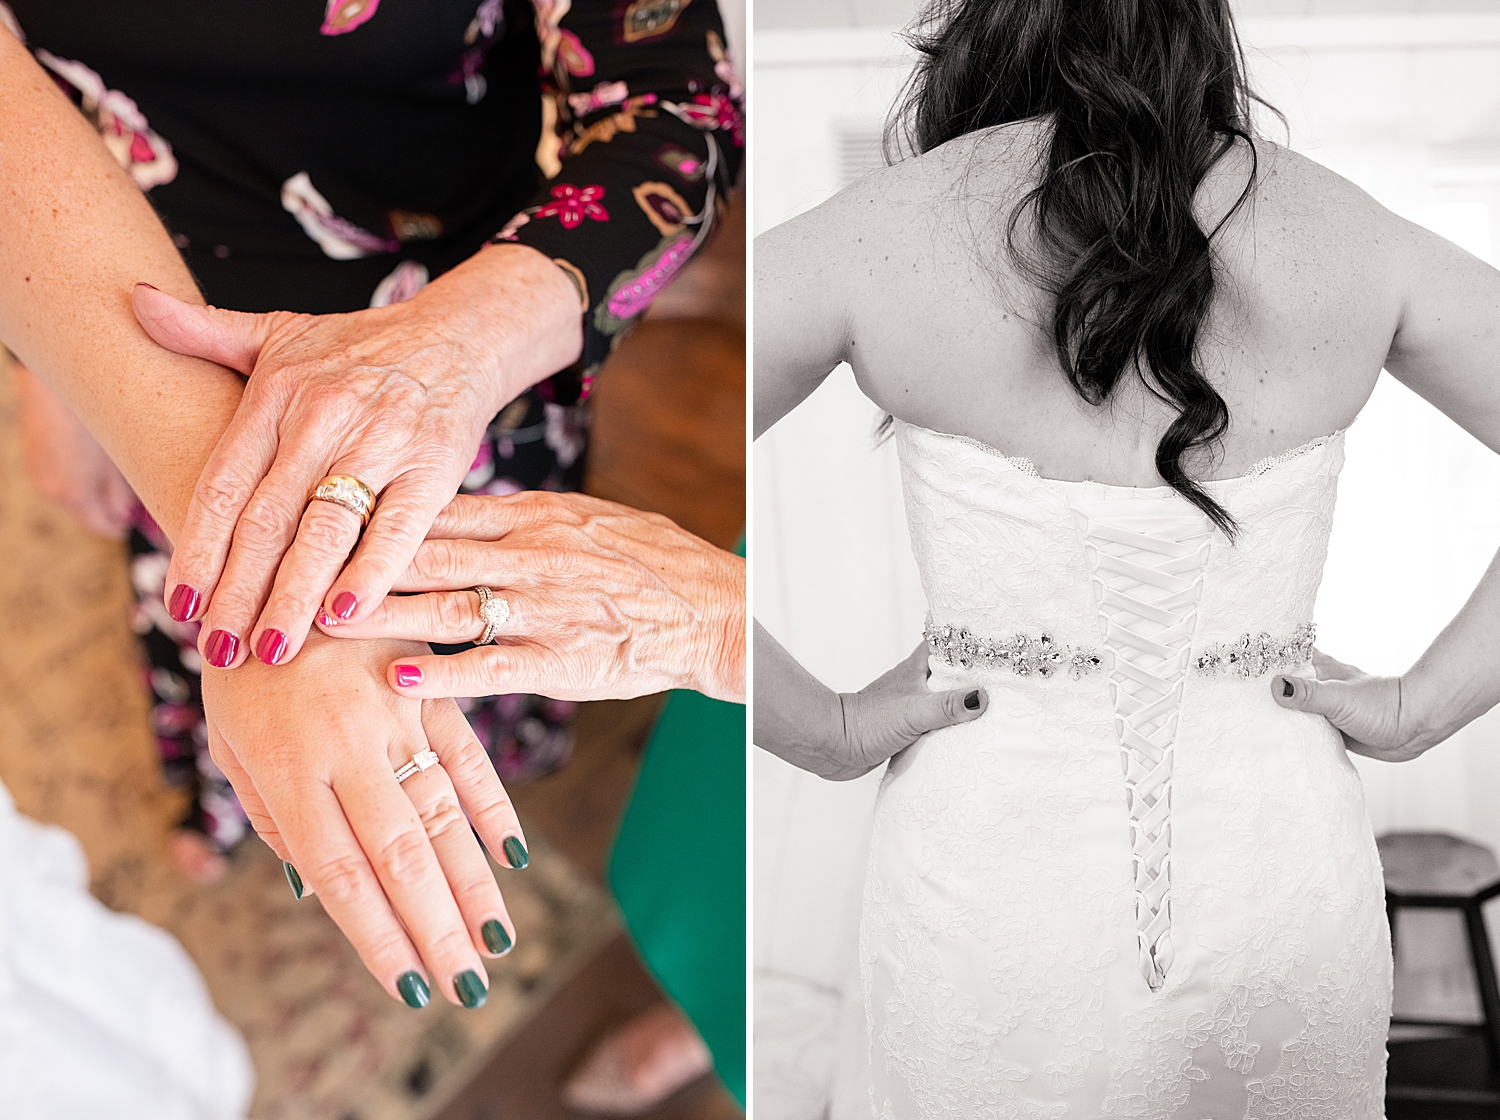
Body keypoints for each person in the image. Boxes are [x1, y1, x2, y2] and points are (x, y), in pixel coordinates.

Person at [753, 0, 1500, 1109]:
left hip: (988, 887)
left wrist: (832, 732)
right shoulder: (1351, 236)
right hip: (1281, 870)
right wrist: (1426, 703)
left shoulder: (877, 235)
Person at [0, 1, 738, 1016]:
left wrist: (450, 355)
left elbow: (674, 106)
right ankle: (228, 803)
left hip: (472, 344)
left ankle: (484, 752)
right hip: (137, 342)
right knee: (227, 656)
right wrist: (53, 354)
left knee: (466, 638)